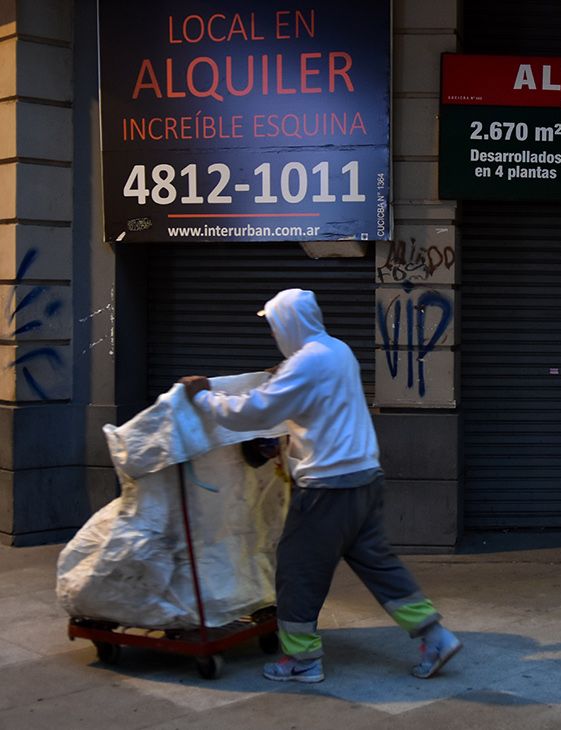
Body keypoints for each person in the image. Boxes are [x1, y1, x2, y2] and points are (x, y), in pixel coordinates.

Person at [178, 288, 460, 684]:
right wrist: (282, 374)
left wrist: (205, 398)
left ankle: (302, 660)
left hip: (328, 488)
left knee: (297, 571)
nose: (274, 334)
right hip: (366, 480)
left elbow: (255, 411)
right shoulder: (338, 351)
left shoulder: (305, 364)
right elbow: (311, 397)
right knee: (380, 565)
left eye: (275, 326)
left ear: (288, 324)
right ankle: (436, 637)